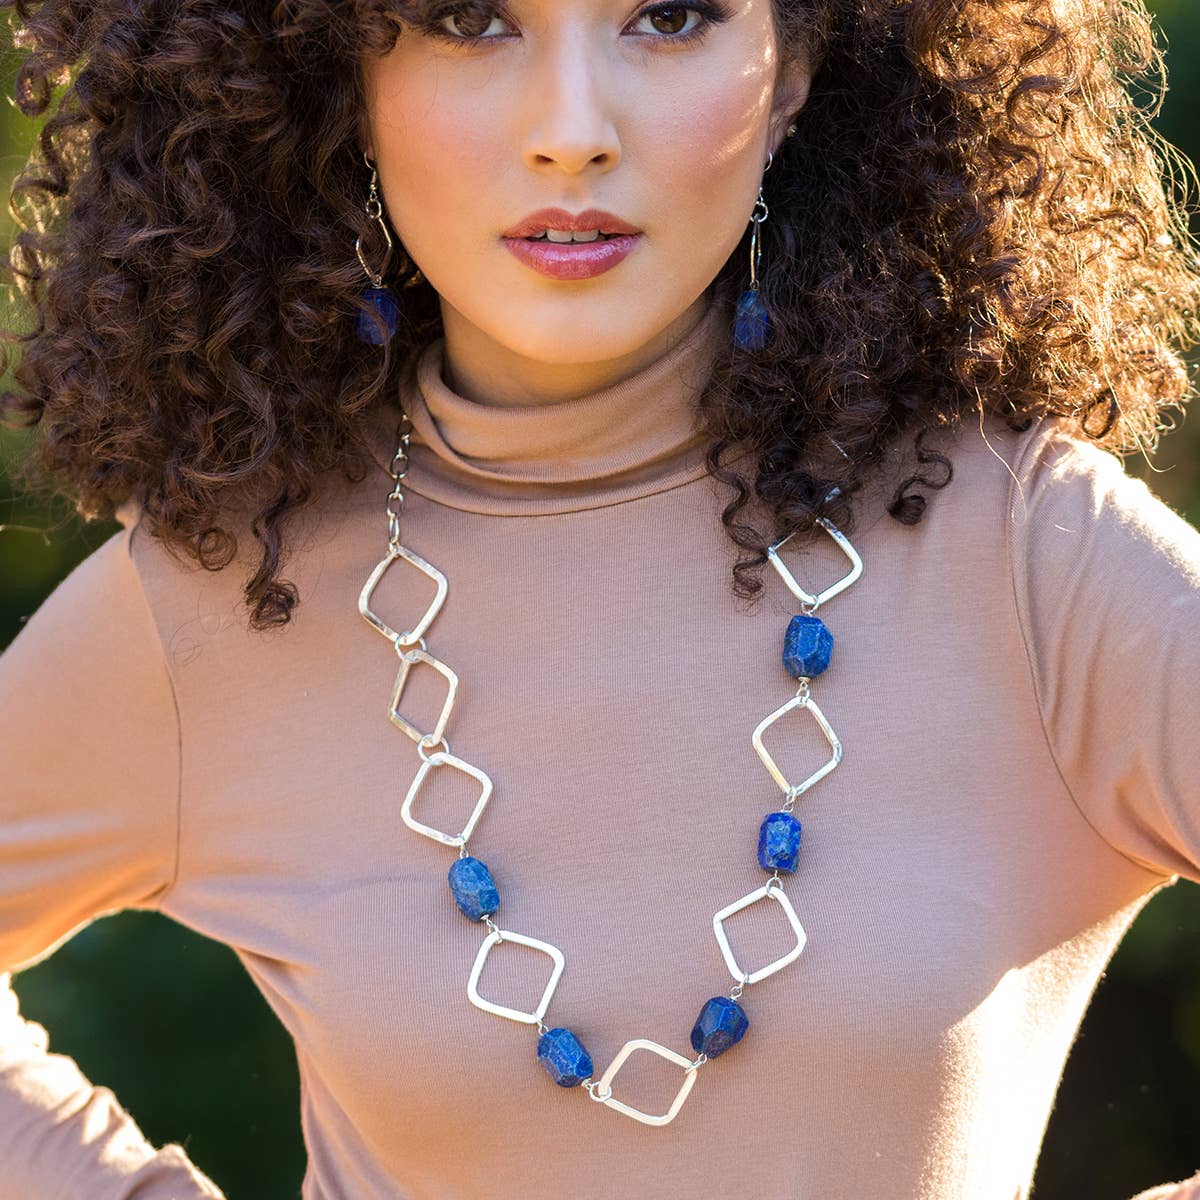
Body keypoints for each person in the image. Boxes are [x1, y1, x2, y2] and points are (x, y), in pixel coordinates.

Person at [1, 0, 1199, 1196]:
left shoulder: (1030, 558)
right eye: (470, 20)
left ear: (793, 75)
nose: (571, 131)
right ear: (333, 79)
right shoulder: (225, 599)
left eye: (669, 18)